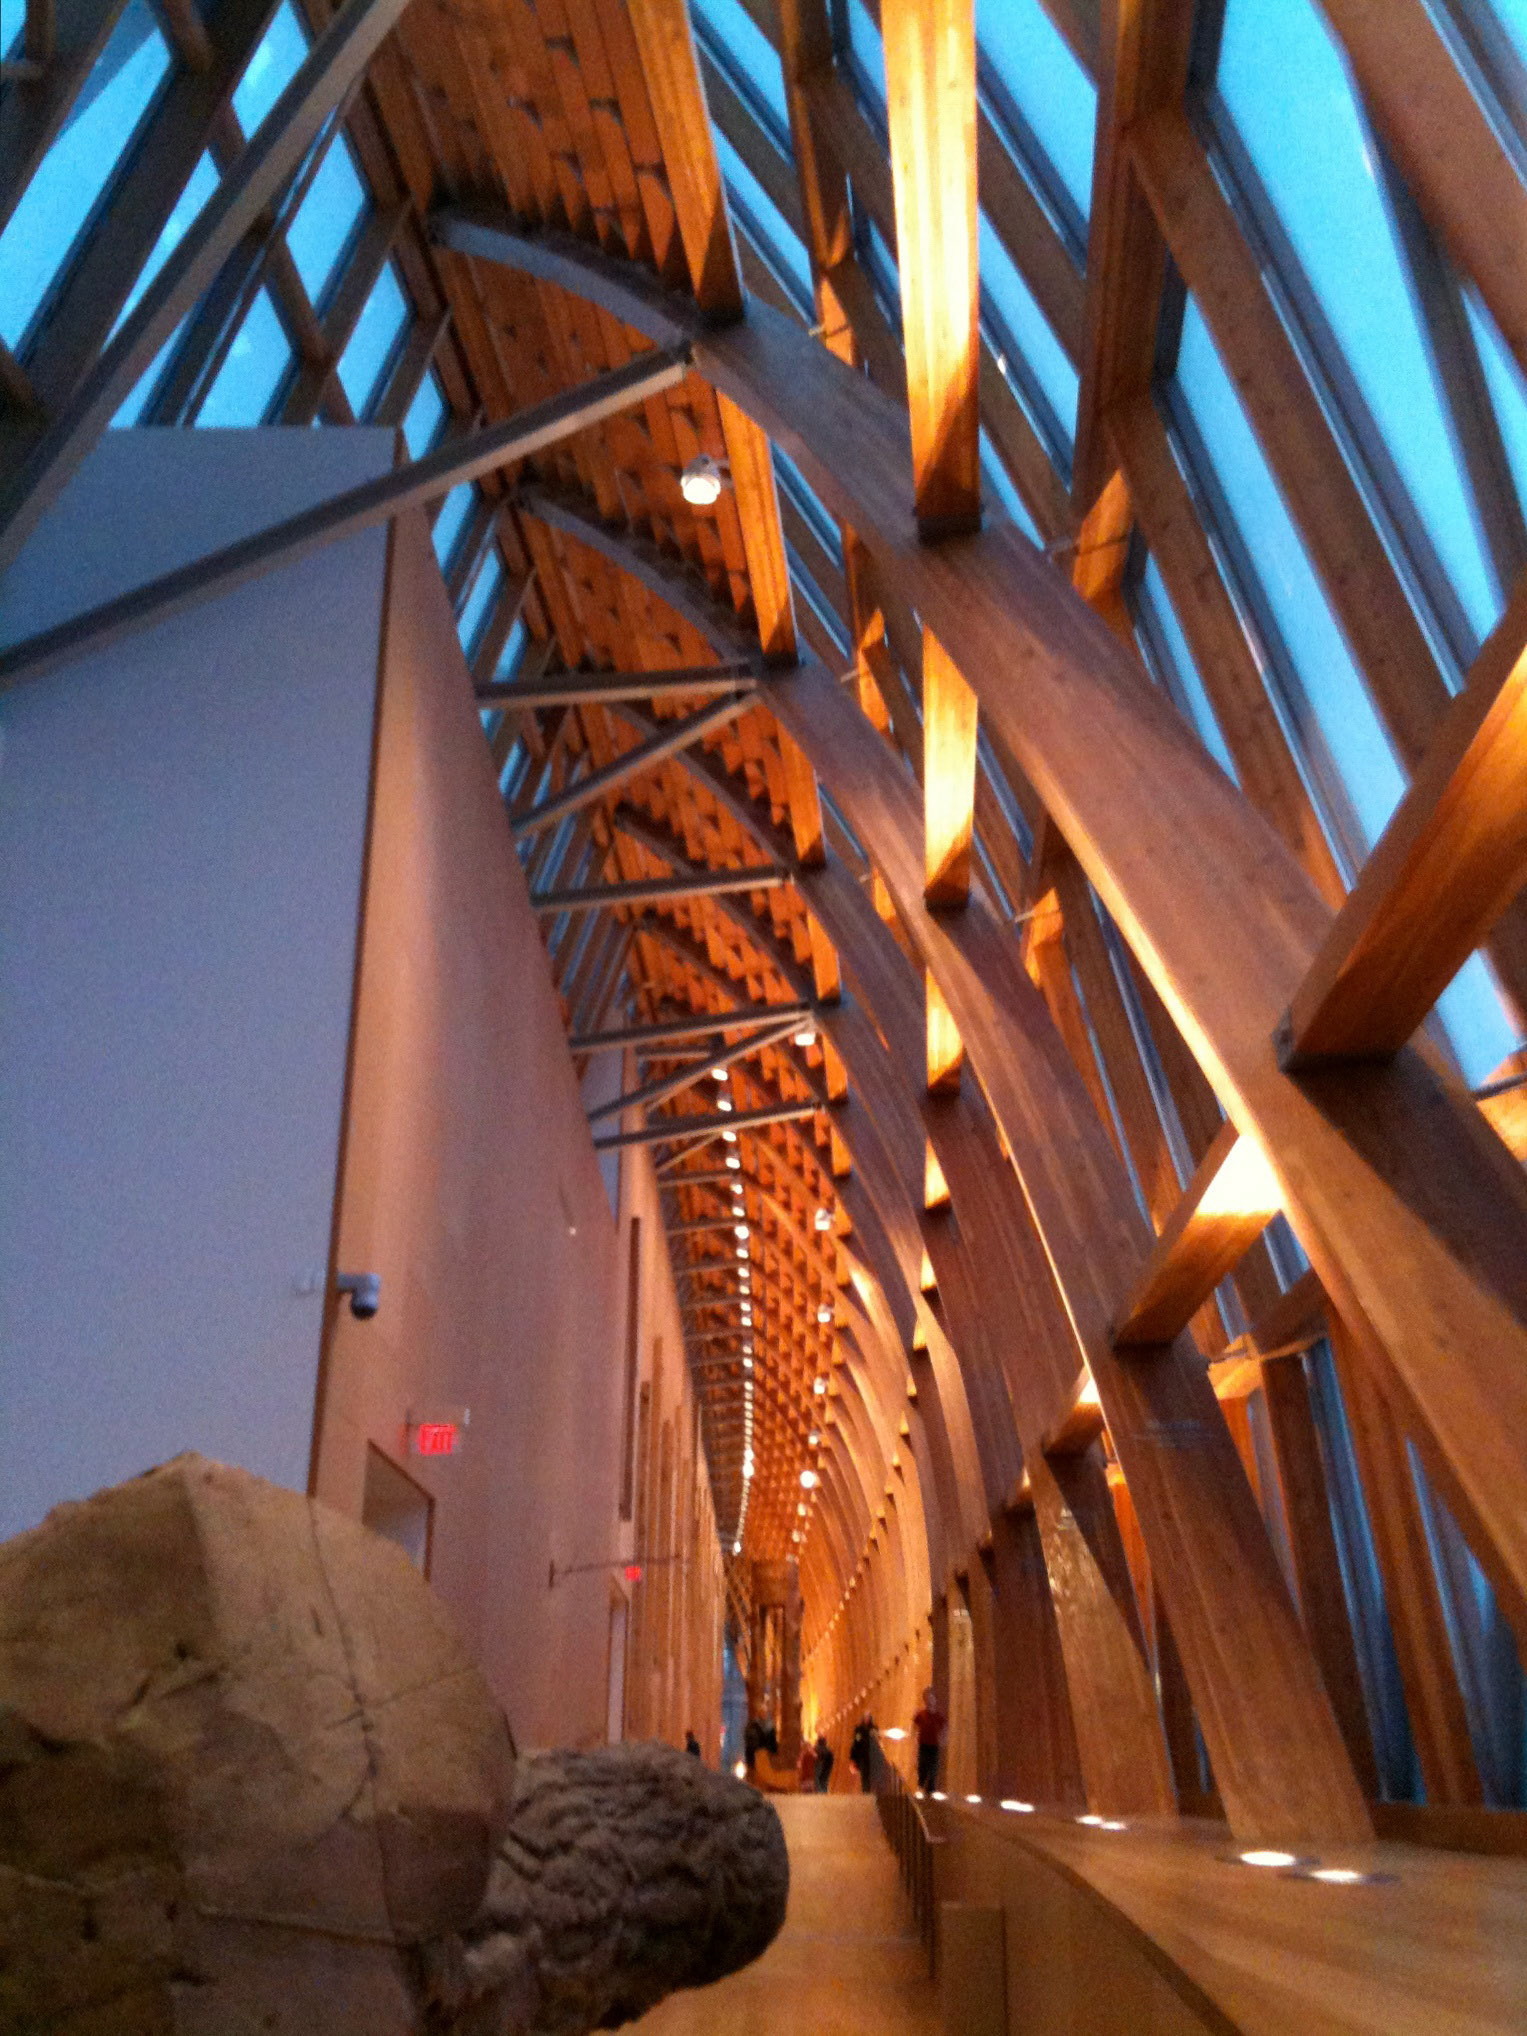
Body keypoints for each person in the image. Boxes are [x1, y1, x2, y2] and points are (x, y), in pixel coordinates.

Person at [911, 1685, 946, 1796]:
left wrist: (943, 1740)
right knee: (922, 1767)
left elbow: (945, 1728)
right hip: (923, 1745)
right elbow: (914, 1728)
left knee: (933, 1770)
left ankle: (930, 1793)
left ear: (935, 1700)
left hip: (934, 1747)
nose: (930, 1701)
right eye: (928, 1698)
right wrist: (913, 1741)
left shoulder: (939, 1716)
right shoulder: (920, 1715)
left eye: (932, 1698)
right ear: (925, 1700)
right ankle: (920, 1788)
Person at [849, 1714, 879, 1793]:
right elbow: (856, 1742)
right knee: (864, 1774)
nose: (867, 1719)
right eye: (866, 1718)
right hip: (862, 1757)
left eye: (868, 1718)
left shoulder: (874, 1729)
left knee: (871, 1774)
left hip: (872, 1756)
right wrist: (853, 1758)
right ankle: (866, 1791)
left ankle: (870, 1790)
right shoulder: (859, 1730)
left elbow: (877, 1742)